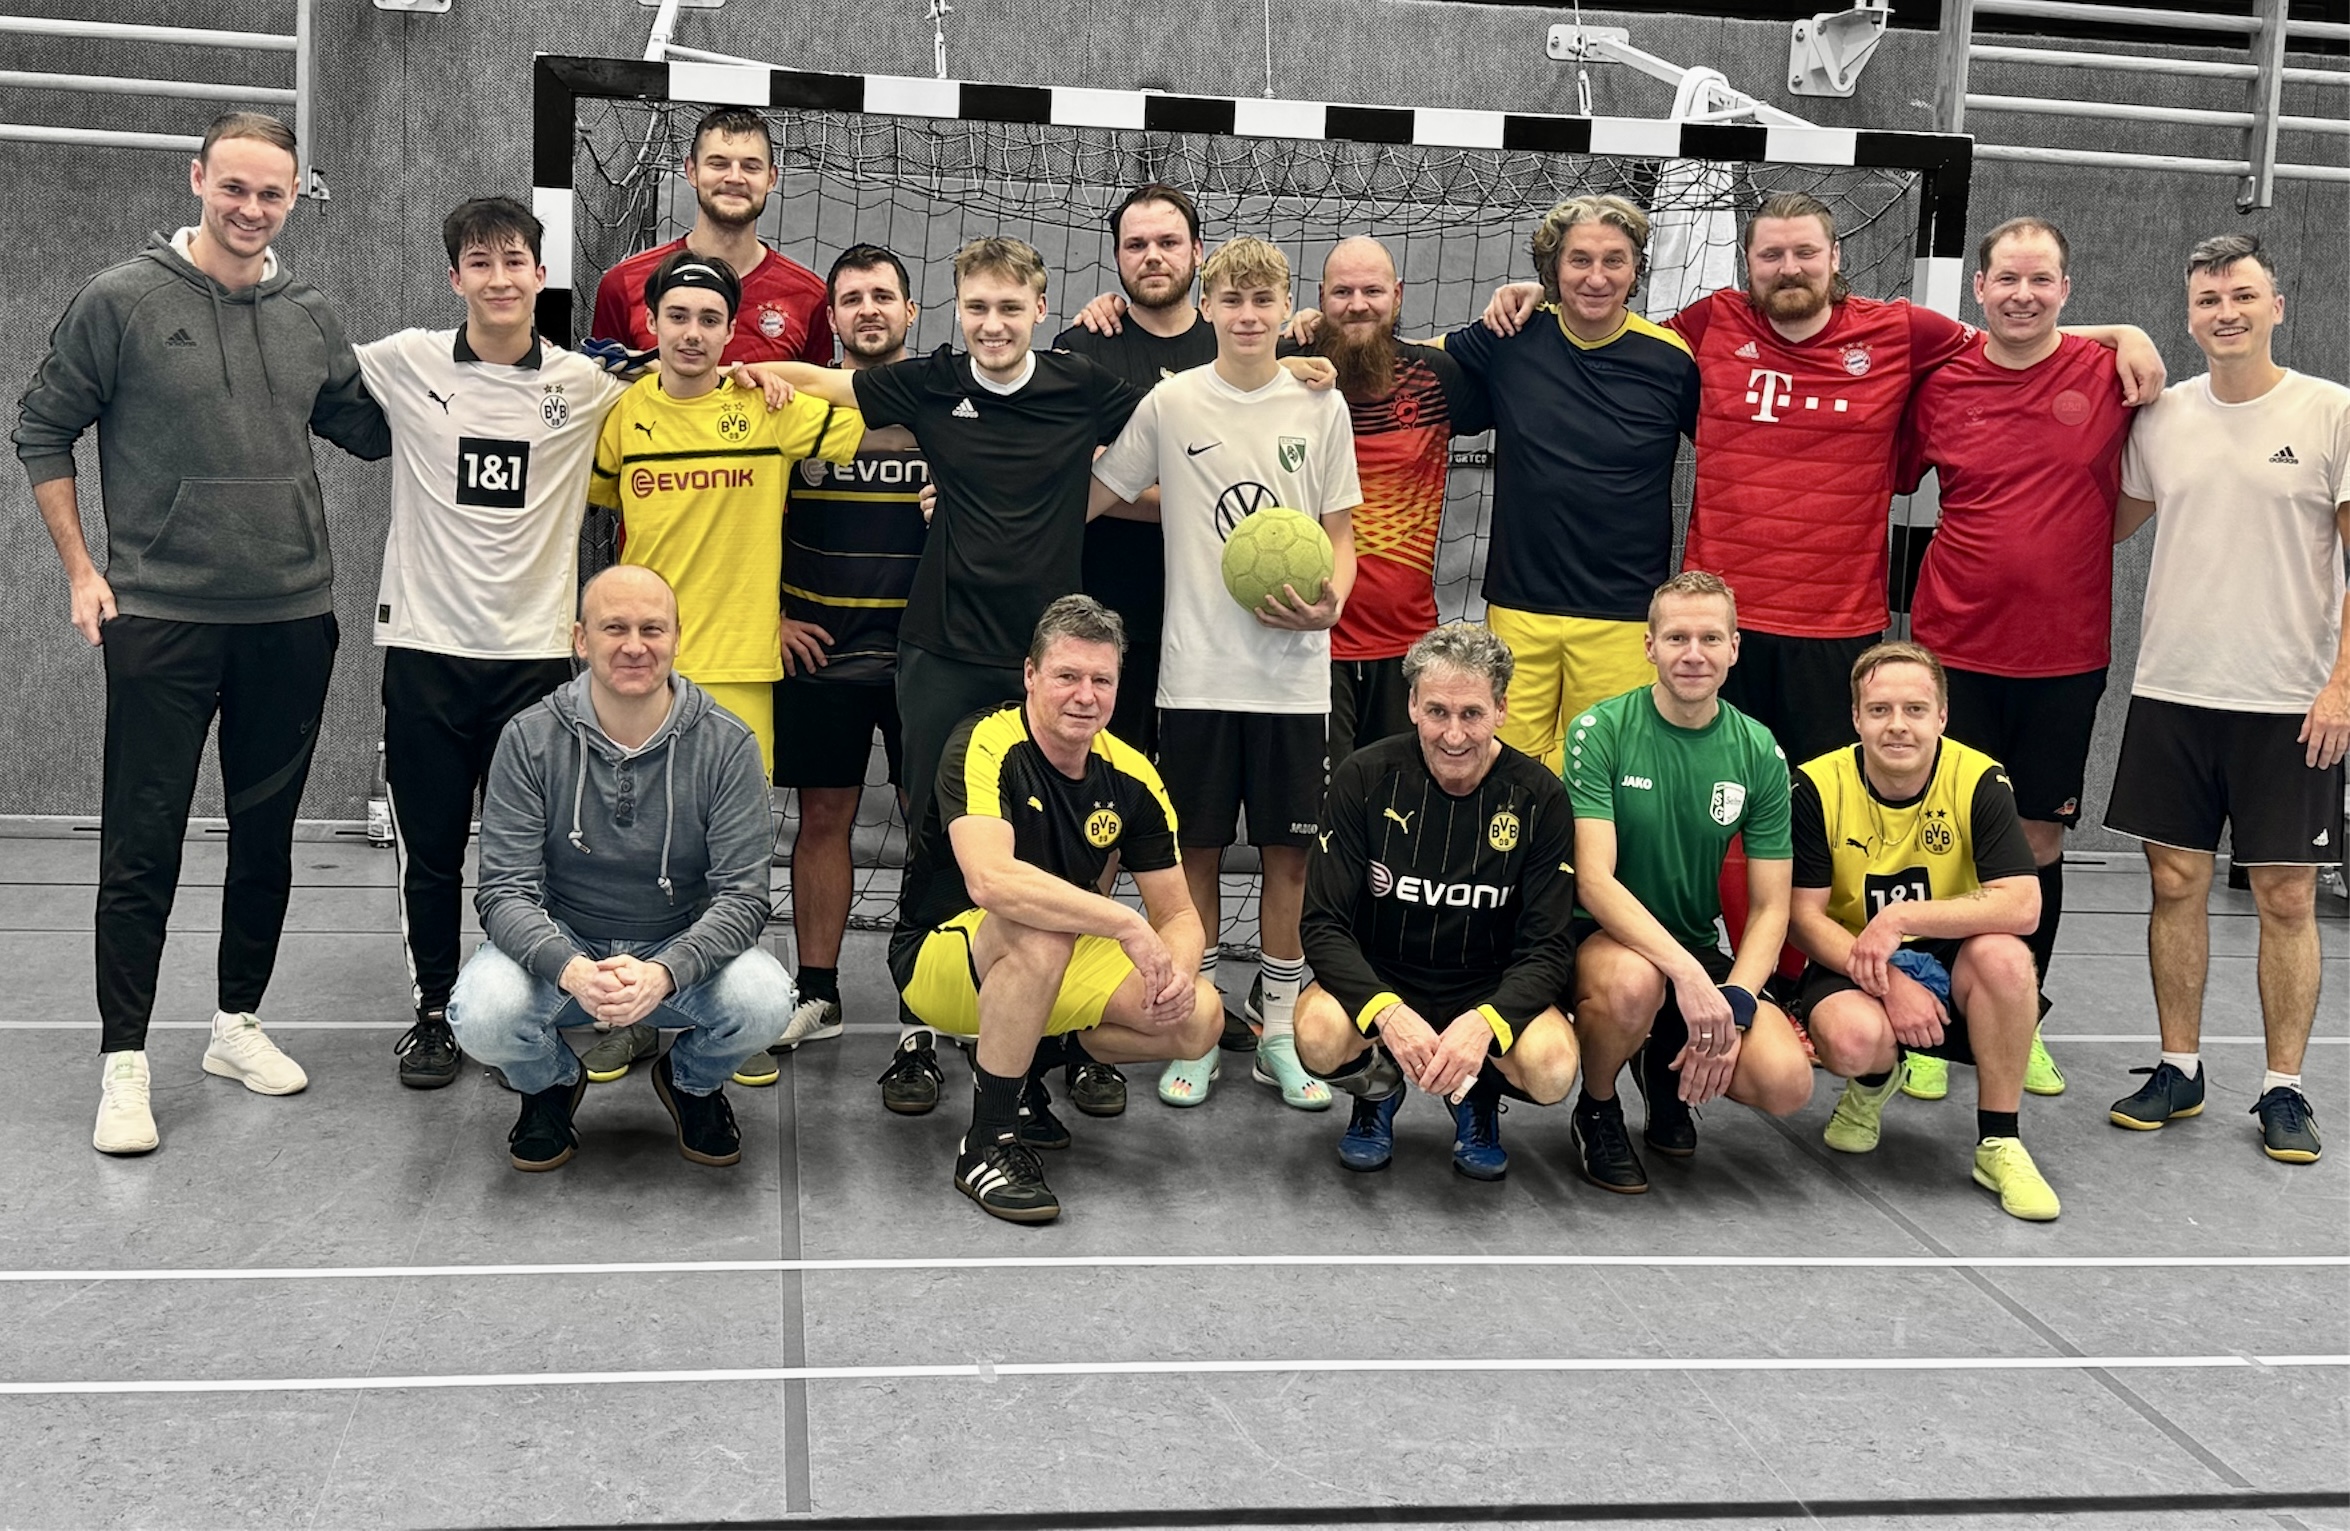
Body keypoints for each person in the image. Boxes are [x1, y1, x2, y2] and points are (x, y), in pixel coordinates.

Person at [767, 237, 1335, 1115]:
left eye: (1009, 307)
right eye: (977, 308)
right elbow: (826, 383)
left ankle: (1060, 1031)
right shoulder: (931, 382)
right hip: (944, 650)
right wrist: (744, 373)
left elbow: (1198, 398)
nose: (992, 324)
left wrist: (1289, 365)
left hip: (1046, 652)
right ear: (956, 311)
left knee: (1073, 829)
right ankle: (921, 1031)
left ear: (1040, 309)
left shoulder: (1082, 385)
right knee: (937, 829)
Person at [1481, 192, 2164, 767]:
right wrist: (1542, 298)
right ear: (1747, 263)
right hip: (1720, 625)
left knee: (1816, 815)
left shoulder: (1902, 331)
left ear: (1836, 257)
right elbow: (1609, 332)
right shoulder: (1712, 323)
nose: (1789, 268)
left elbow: (2012, 336)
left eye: (1805, 252)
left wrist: (2121, 333)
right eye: (1771, 255)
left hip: (1836, 629)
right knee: (1711, 809)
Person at [16, 112, 390, 1157]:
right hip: (163, 619)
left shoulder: (309, 314)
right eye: (234, 187)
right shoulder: (121, 299)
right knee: (144, 842)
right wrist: (82, 571)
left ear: (294, 198)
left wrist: (492, 368)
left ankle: (236, 1025)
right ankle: (124, 1061)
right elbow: (42, 428)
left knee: (266, 838)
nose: (250, 208)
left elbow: (373, 429)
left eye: (271, 193)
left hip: (291, 617)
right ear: (197, 180)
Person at [354, 196, 634, 1090]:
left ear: (541, 275)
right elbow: (295, 358)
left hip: (537, 661)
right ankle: (436, 1011)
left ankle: (528, 1011)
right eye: (480, 262)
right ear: (455, 278)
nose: (500, 277)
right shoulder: (405, 360)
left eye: (515, 261)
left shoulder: (586, 385)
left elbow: (687, 381)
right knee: (431, 850)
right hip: (426, 652)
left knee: (539, 859)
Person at [1091, 236, 1362, 1111]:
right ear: (1206, 308)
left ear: (1286, 309)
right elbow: (1099, 492)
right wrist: (975, 497)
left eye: (1262, 300)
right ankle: (1201, 1023)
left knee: (1290, 860)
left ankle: (1277, 1032)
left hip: (1293, 680)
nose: (1248, 316)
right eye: (1232, 300)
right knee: (1194, 855)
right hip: (1196, 676)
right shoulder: (1172, 402)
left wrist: (1332, 603)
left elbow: (1342, 535)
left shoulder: (1320, 403)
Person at [583, 250, 861, 1087]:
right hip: (641, 668)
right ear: (652, 323)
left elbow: (877, 414)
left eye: (710, 319)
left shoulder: (765, 406)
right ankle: (630, 1017)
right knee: (633, 851)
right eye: (678, 316)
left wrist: (788, 376)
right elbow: (595, 508)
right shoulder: (622, 417)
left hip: (740, 664)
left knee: (733, 859)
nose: (693, 333)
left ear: (732, 330)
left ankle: (723, 1019)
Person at [2105, 233, 2348, 1167]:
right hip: (2173, 689)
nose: (2226, 313)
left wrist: (2342, 686)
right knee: (2175, 883)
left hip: (2290, 700)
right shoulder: (2162, 418)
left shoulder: (2330, 412)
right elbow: (2102, 523)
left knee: (2286, 895)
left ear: (2277, 306)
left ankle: (2285, 1086)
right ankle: (2180, 1067)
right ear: (2190, 315)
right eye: (2208, 300)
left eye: (2243, 295)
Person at [1892, 216, 2136, 1106]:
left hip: (2063, 655)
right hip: (1951, 649)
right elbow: (1884, 476)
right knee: (1938, 834)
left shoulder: (2111, 374)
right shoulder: (1943, 382)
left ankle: (2015, 1018)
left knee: (2035, 840)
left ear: (2066, 289)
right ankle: (1925, 1020)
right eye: (2008, 279)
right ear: (1980, 288)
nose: (2023, 295)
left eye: (2041, 280)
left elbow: (2143, 489)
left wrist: (2129, 332)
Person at [890, 596, 1222, 1223]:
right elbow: (991, 881)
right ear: (1031, 675)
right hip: (943, 955)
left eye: (1102, 680)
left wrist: (1174, 976)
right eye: (1067, 676)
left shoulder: (1132, 775)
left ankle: (1028, 1066)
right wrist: (1125, 923)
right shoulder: (986, 743)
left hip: (1055, 954)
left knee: (1197, 1017)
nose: (1085, 696)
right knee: (1038, 933)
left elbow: (1178, 914)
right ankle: (987, 1143)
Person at [449, 565, 789, 1170]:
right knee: (483, 1015)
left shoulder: (728, 744)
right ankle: (549, 1085)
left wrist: (665, 972)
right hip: (567, 949)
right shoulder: (529, 738)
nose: (635, 646)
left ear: (677, 638)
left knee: (765, 1001)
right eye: (615, 628)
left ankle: (692, 1084)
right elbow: (504, 891)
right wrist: (573, 970)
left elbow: (743, 896)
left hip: (678, 948)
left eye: (652, 629)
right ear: (581, 640)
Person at [1294, 622, 1581, 1178]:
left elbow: (1549, 947)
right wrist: (1387, 1013)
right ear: (1412, 706)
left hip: (1487, 983)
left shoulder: (1539, 796)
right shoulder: (1364, 778)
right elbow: (1322, 925)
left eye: (1471, 713)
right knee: (1318, 1037)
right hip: (1384, 975)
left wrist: (1486, 1023)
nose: (1453, 735)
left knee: (1552, 1069)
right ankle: (1377, 1088)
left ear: (1501, 709)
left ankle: (1475, 1093)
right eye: (1437, 712)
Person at [1786, 642, 2057, 1222]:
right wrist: (1889, 982)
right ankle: (1873, 1082)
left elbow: (2024, 905)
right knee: (1852, 1040)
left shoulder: (1979, 778)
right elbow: (1804, 919)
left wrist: (1902, 918)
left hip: (1953, 955)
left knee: (2007, 958)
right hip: (1856, 955)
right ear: (1856, 717)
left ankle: (2000, 1140)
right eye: (1879, 710)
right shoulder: (1816, 785)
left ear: (1942, 716)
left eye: (1915, 709)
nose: (1897, 726)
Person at [1562, 573, 1812, 1195]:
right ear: (1649, 646)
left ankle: (1662, 1063)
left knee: (1786, 1081)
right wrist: (1689, 976)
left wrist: (1737, 1001)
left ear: (1734, 648)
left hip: (1693, 946)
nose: (1693, 654)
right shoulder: (1600, 731)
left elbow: (1771, 907)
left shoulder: (1758, 750)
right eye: (1677, 638)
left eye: (1710, 638)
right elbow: (1593, 882)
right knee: (1634, 984)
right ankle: (1598, 1107)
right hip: (1604, 940)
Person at [1438, 197, 1698, 774]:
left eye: (1614, 260)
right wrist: (1310, 340)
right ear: (1553, 268)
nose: (1597, 277)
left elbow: (1732, 452)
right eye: (1580, 260)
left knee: (1605, 778)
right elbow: (1406, 365)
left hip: (1624, 614)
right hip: (1519, 607)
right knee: (1507, 775)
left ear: (1636, 269)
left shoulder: (1672, 361)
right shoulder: (1511, 336)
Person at [767, 245, 927, 1056]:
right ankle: (818, 992)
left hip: (923, 658)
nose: (869, 309)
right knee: (823, 818)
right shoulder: (794, 405)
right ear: (830, 318)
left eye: (883, 295)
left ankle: (924, 1008)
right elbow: (746, 514)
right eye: (853, 298)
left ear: (910, 311)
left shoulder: (944, 404)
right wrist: (770, 617)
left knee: (931, 825)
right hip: (821, 653)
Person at [1292, 238, 1492, 763]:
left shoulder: (1437, 378)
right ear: (1320, 297)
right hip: (1308, 642)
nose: (1357, 304)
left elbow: (1525, 376)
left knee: (1396, 802)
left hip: (1407, 644)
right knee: (1319, 804)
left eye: (1373, 291)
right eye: (1342, 292)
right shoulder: (1287, 373)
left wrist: (1534, 298)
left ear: (1398, 295)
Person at [1056, 185, 1218, 759]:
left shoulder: (1235, 346)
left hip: (1212, 623)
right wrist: (1200, 494)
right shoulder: (1082, 348)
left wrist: (1126, 481)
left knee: (1190, 796)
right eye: (1136, 244)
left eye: (1168, 242)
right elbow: (1076, 483)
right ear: (1117, 256)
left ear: (1197, 251)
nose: (1152, 256)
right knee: (1104, 786)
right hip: (1108, 620)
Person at [589, 106, 832, 368]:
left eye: (751, 167)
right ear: (692, 171)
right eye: (718, 164)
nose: (735, 178)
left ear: (771, 178)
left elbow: (819, 392)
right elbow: (602, 387)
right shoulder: (624, 284)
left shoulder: (811, 297)